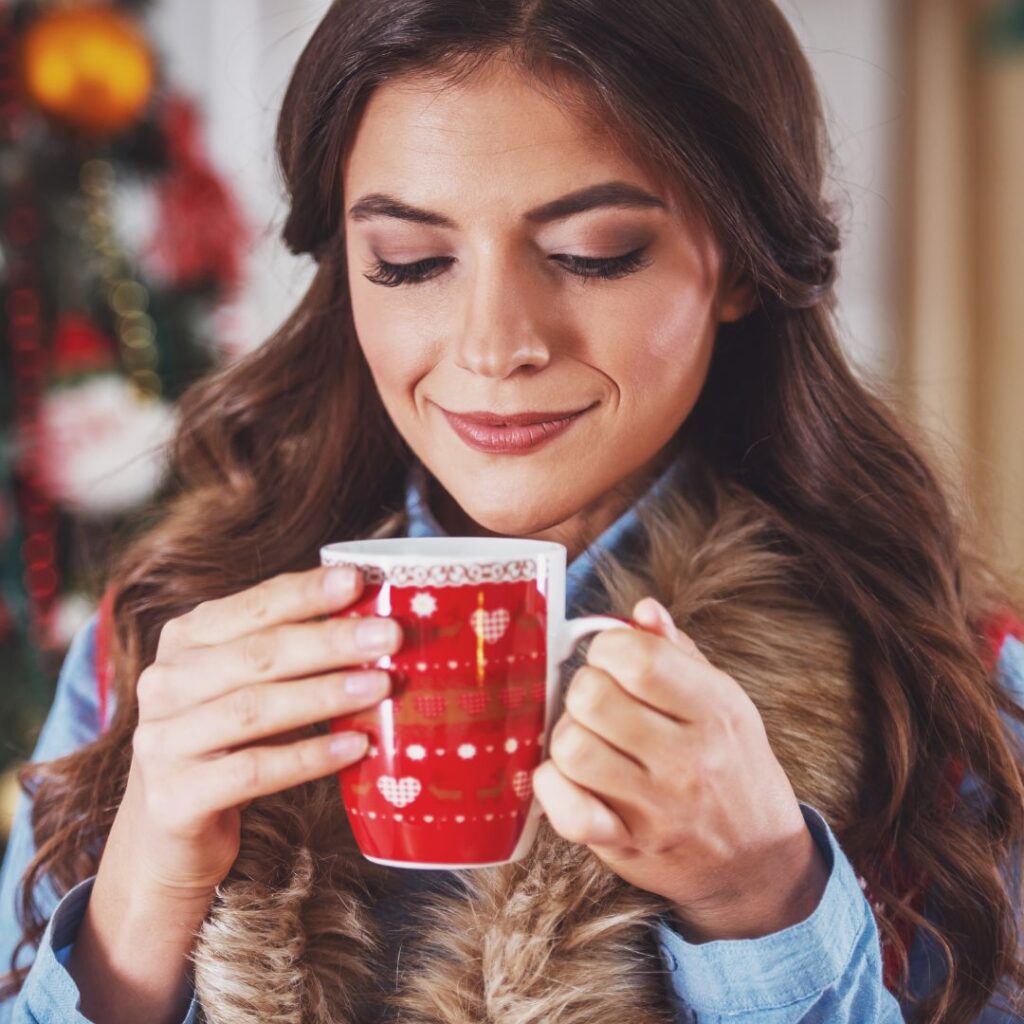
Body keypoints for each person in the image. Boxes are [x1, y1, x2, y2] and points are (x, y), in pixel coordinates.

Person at [1, 0, 1023, 1021]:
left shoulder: (947, 696)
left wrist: (763, 899)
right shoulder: (149, 652)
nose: (493, 346)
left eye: (592, 252)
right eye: (409, 260)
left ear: (741, 263)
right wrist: (144, 893)